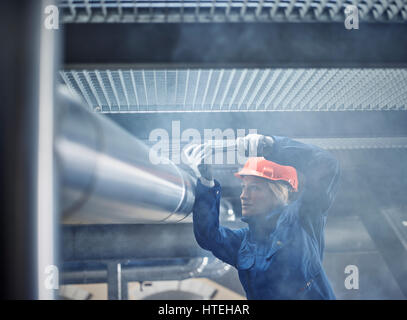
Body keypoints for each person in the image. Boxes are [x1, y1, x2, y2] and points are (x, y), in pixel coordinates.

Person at [184, 134, 341, 300]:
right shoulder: (245, 242)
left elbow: (327, 165)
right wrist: (206, 183)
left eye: (254, 188)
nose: (243, 196)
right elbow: (209, 236)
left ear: (277, 192)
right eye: (244, 188)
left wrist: (272, 146)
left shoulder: (302, 219)